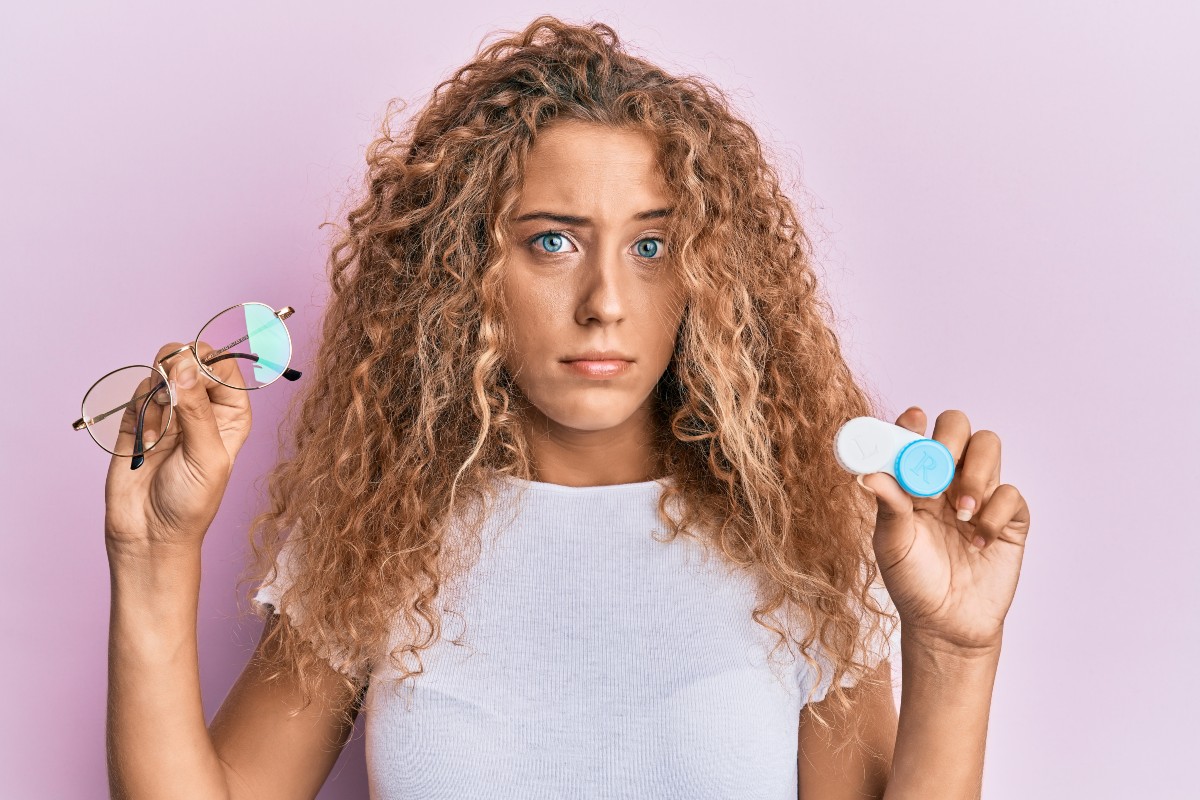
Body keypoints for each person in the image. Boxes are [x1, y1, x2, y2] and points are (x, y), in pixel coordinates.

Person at [104, 16, 1031, 800]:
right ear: (463, 274)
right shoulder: (373, 541)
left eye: (653, 248)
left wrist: (955, 653)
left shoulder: (794, 548)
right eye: (551, 241)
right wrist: (152, 557)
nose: (606, 302)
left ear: (711, 276)